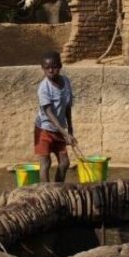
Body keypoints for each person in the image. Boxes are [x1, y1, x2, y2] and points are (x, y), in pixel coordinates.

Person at [34, 51, 76, 182]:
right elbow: (49, 113)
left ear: (60, 66)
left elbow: (68, 107)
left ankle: (57, 190)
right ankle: (46, 193)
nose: (51, 70)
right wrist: (65, 133)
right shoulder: (44, 88)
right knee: (45, 164)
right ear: (43, 69)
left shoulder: (66, 82)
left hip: (60, 130)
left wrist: (70, 130)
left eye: (54, 67)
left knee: (64, 163)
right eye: (47, 68)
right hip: (44, 130)